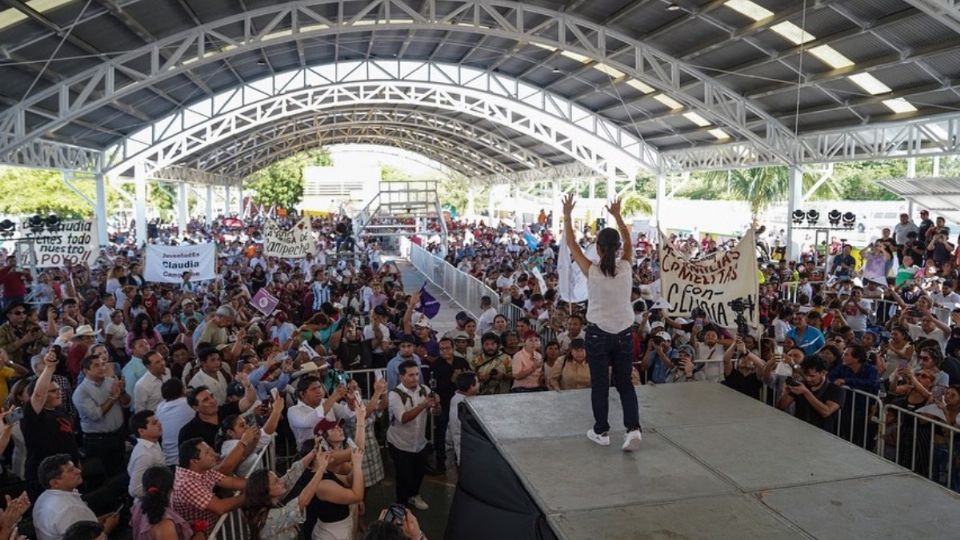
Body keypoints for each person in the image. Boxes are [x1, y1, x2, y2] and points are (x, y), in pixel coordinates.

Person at [562, 193, 642, 451]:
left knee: (600, 384)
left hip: (598, 335)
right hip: (624, 333)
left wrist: (566, 215)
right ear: (618, 248)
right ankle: (632, 429)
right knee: (625, 383)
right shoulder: (627, 266)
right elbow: (629, 241)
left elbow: (572, 244)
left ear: (597, 248)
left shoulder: (592, 270)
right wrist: (618, 215)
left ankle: (602, 431)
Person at [23, 349, 80, 497]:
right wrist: (49, 368)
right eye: (53, 391)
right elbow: (38, 394)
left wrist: (76, 464)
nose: (58, 392)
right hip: (47, 478)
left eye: (58, 389)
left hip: (66, 472)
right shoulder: (32, 416)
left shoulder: (59, 410)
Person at [243, 447, 332, 540]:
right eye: (276, 481)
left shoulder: (266, 501)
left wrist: (314, 451)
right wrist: (321, 469)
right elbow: (302, 502)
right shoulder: (268, 519)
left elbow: (292, 474)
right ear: (265, 491)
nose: (281, 481)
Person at [387, 360, 438, 510]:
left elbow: (436, 412)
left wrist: (437, 405)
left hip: (419, 442)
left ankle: (414, 495)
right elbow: (403, 418)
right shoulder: (394, 395)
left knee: (418, 473)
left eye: (417, 374)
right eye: (410, 375)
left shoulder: (425, 389)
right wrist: (424, 405)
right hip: (400, 443)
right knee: (403, 478)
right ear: (401, 377)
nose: (415, 378)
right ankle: (401, 507)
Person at [32, 454, 120, 540]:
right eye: (70, 470)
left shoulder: (43, 497)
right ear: (54, 483)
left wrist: (96, 521)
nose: (78, 471)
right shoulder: (70, 509)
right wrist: (108, 529)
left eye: (74, 467)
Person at [72, 354, 130, 477]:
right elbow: (95, 415)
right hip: (99, 440)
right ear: (86, 370)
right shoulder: (81, 392)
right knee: (107, 476)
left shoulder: (111, 382)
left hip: (118, 434)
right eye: (96, 365)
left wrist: (122, 391)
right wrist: (113, 397)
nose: (102, 368)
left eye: (103, 364)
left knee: (122, 470)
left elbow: (126, 403)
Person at [171, 438, 248, 524]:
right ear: (194, 461)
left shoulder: (204, 469)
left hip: (211, 524)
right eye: (207, 453)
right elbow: (219, 507)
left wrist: (260, 483)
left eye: (210, 450)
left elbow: (231, 482)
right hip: (202, 534)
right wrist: (252, 494)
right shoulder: (186, 483)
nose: (213, 454)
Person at [777, 355, 843, 433]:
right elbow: (781, 407)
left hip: (822, 434)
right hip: (798, 430)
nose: (808, 379)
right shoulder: (801, 385)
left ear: (823, 373)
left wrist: (806, 392)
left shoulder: (836, 389)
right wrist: (785, 393)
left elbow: (826, 412)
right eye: (805, 375)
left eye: (812, 376)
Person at [130, 466, 198, 540]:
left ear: (144, 489)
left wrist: (182, 525)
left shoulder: (137, 507)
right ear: (170, 490)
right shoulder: (165, 524)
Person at [156, 378, 196, 466]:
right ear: (182, 390)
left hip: (167, 458)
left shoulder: (160, 407)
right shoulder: (187, 404)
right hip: (185, 460)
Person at [127, 410, 167, 499]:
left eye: (158, 421)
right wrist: (160, 491)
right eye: (154, 423)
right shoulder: (144, 455)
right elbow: (134, 490)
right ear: (141, 431)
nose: (159, 424)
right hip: (150, 504)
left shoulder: (153, 443)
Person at [446, 371, 479, 468]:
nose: (479, 385)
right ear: (470, 386)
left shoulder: (456, 399)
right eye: (477, 382)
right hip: (466, 446)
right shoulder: (462, 403)